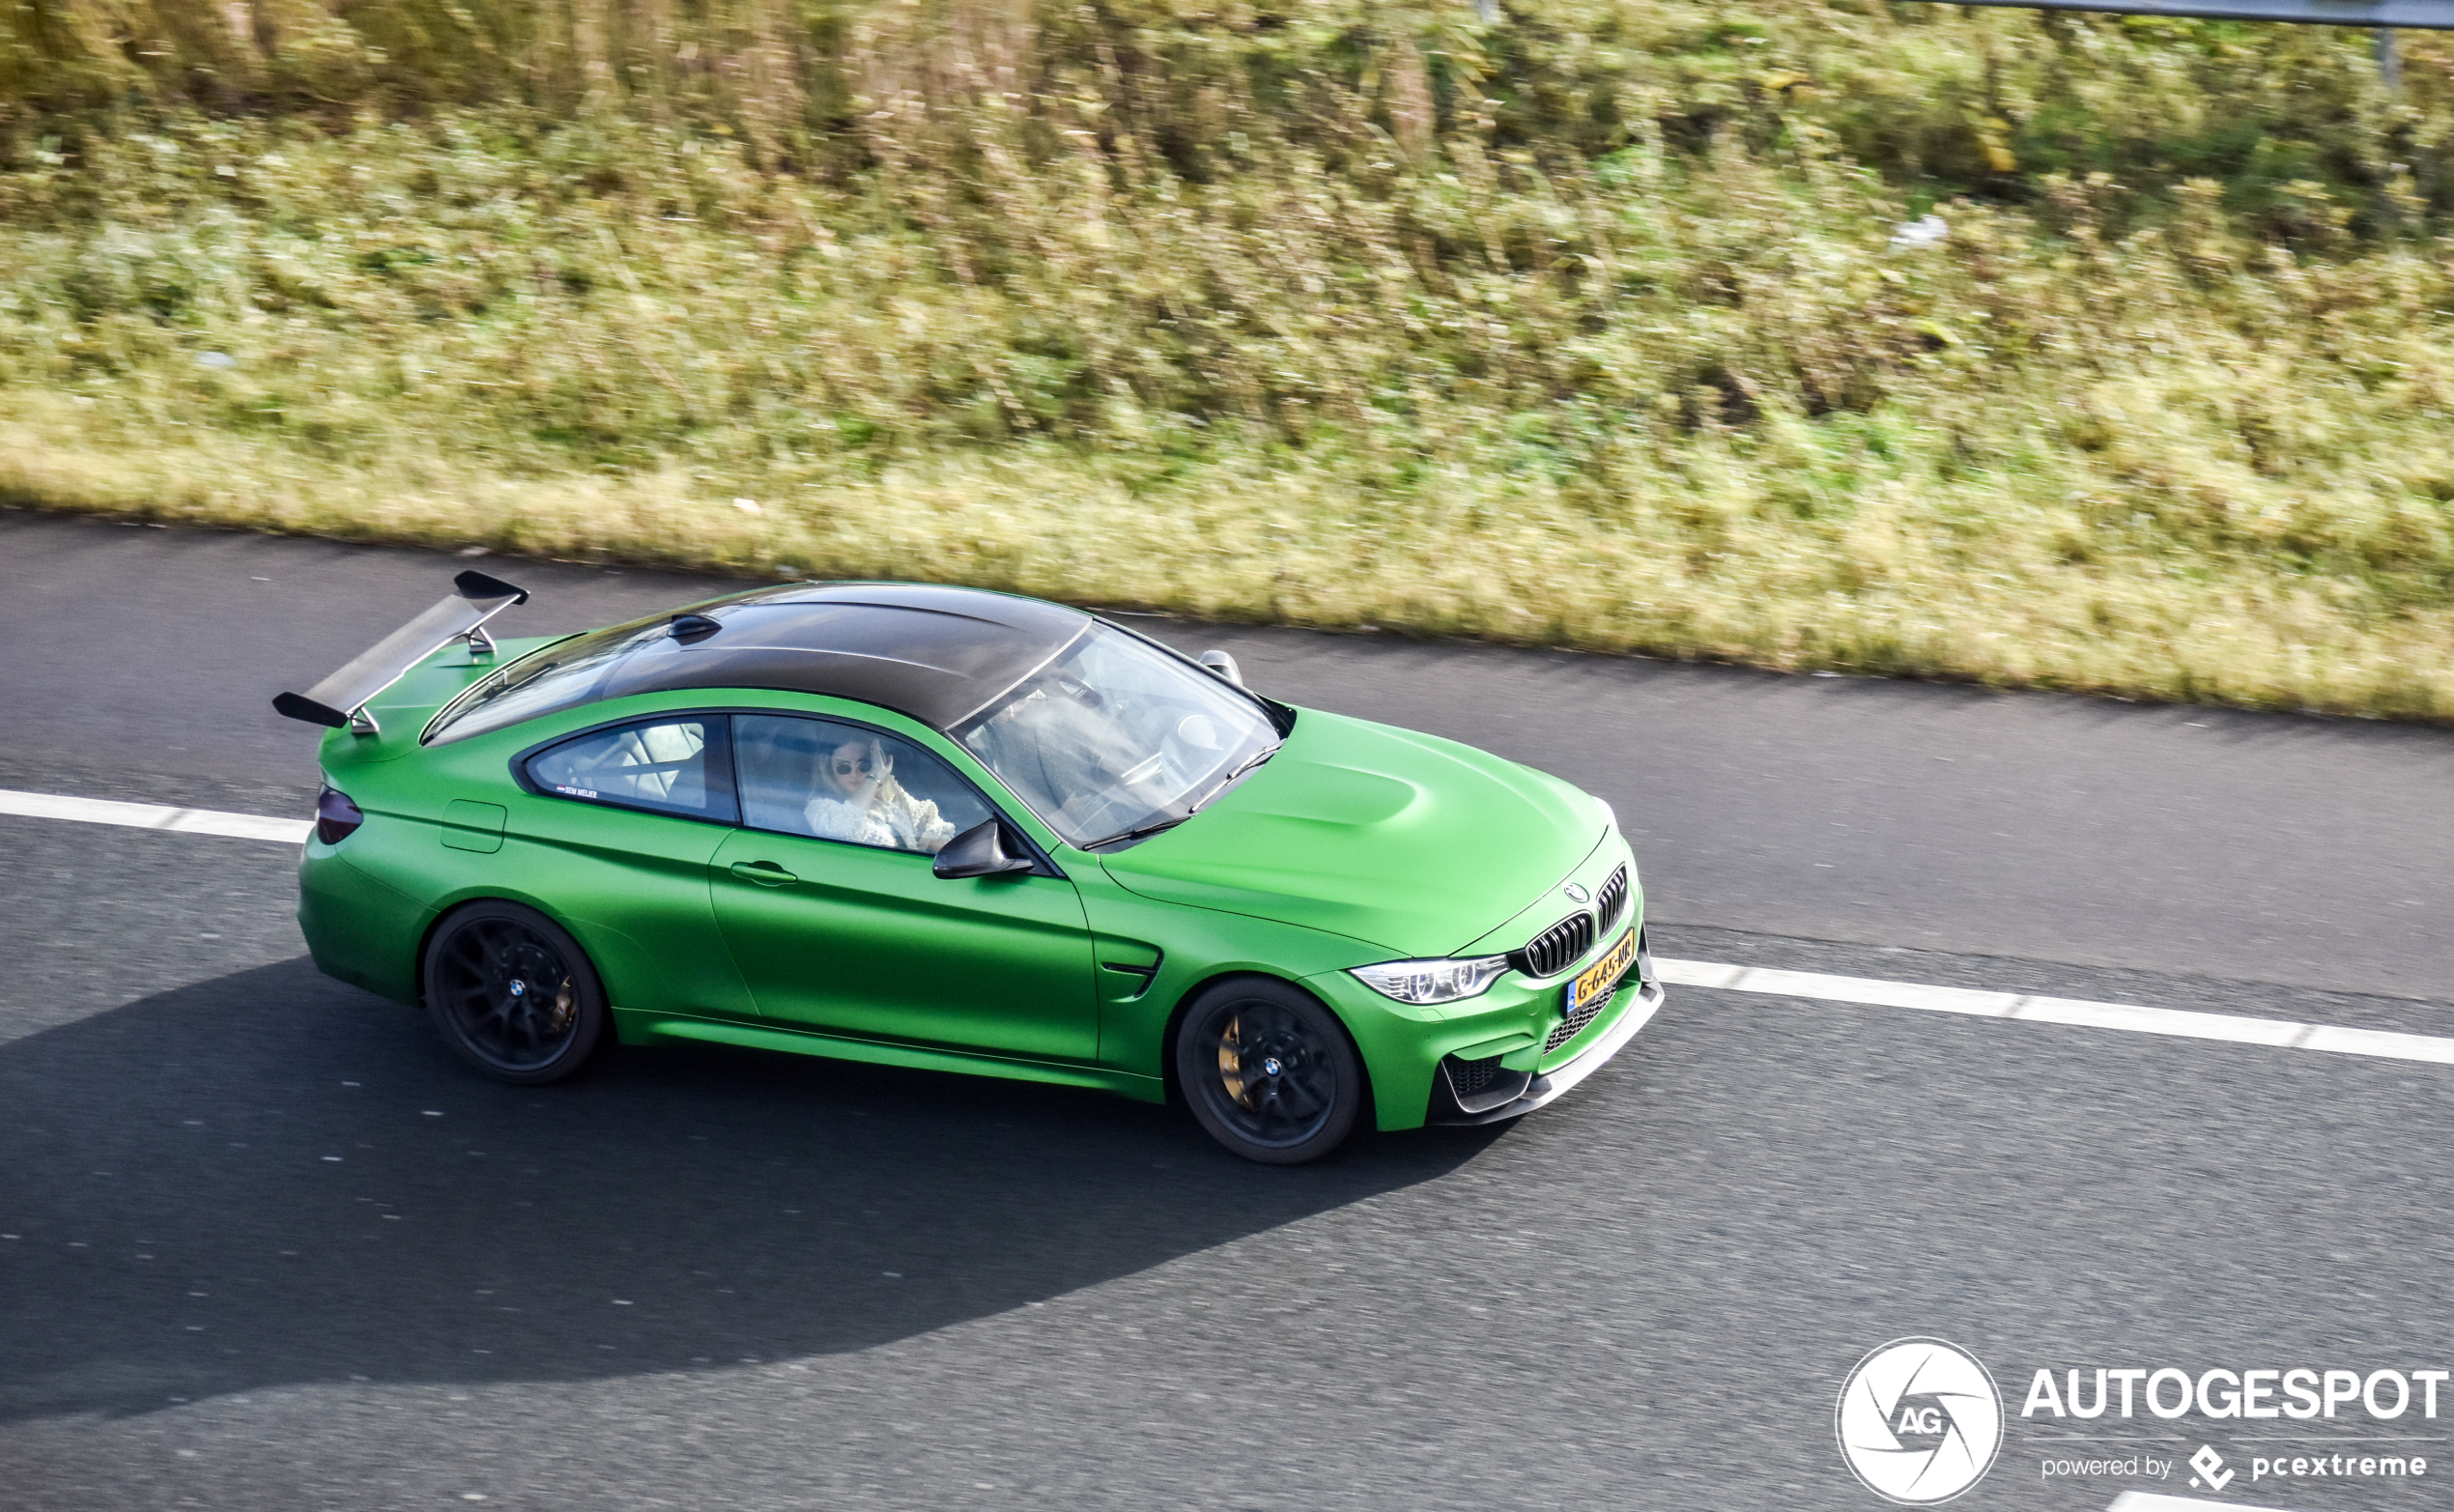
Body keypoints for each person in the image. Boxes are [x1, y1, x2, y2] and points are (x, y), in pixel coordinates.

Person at [803, 735, 958, 854]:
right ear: (829, 769)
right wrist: (874, 777)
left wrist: (941, 848)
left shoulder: (889, 799)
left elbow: (929, 820)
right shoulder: (820, 809)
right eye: (843, 767)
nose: (854, 773)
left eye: (864, 765)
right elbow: (844, 830)